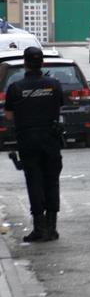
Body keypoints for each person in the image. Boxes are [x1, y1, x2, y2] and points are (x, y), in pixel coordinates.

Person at [3, 47, 64, 242]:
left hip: (28, 140)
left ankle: (40, 227)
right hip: (50, 138)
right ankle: (52, 227)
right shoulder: (54, 85)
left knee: (34, 182)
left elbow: (10, 115)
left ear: (25, 63)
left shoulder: (15, 88)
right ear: (42, 63)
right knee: (52, 181)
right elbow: (59, 106)